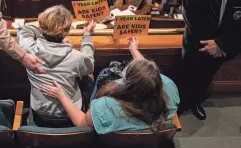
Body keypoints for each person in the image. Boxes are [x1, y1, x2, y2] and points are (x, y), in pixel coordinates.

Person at [42, 37, 179, 133]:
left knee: (95, 76)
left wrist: (62, 95)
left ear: (128, 87)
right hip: (148, 140)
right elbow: (147, 74)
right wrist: (134, 50)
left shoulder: (105, 107)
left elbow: (82, 123)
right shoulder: (169, 87)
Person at [180, 0, 241, 120]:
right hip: (195, 41)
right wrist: (208, 43)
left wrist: (220, 44)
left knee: (204, 79)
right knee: (186, 76)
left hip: (223, 46)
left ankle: (196, 101)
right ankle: (181, 103)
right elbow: (189, 13)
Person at [18, 5, 96, 127]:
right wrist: (86, 35)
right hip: (70, 113)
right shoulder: (76, 57)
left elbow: (24, 30)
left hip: (40, 111)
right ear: (66, 31)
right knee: (89, 76)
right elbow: (90, 65)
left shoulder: (28, 51)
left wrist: (46, 27)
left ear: (42, 27)